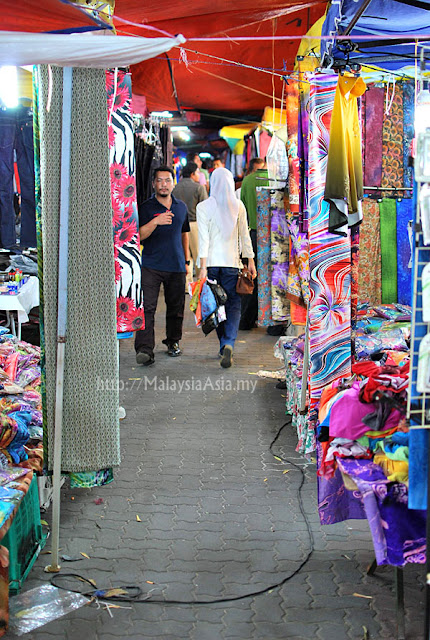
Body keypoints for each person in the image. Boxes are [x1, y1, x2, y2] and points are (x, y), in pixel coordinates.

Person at [197, 168, 256, 369]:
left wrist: (202, 267)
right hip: (232, 265)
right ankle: (228, 342)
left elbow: (203, 240)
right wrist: (251, 261)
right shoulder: (238, 206)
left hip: (211, 265)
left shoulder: (203, 207)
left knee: (214, 306)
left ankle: (223, 344)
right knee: (232, 305)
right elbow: (244, 236)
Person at [135, 165, 191, 366]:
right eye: (159, 180)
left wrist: (186, 260)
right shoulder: (145, 207)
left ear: (173, 183)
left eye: (167, 180)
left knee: (176, 308)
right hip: (151, 264)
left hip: (176, 265)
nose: (163, 184)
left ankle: (173, 342)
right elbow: (138, 236)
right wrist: (156, 221)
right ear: (153, 184)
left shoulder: (181, 207)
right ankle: (144, 350)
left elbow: (184, 234)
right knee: (147, 308)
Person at [239, 158, 268, 330]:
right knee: (271, 280)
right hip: (273, 236)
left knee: (251, 277)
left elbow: (242, 209)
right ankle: (272, 324)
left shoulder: (247, 181)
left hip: (253, 234)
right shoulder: (273, 177)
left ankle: (246, 320)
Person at [172, 161, 208, 285]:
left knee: (185, 256)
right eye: (198, 172)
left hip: (179, 226)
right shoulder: (199, 188)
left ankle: (187, 285)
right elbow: (205, 207)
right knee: (199, 255)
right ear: (192, 174)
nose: (199, 174)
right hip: (195, 224)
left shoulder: (175, 188)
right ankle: (200, 283)